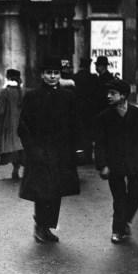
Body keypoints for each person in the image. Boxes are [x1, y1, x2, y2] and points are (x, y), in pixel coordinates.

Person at [18, 55, 82, 243]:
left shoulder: (67, 97)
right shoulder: (32, 96)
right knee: (42, 191)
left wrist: (75, 149)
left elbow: (74, 125)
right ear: (42, 75)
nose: (53, 76)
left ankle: (47, 227)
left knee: (56, 191)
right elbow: (23, 127)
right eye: (49, 73)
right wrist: (32, 150)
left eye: (56, 73)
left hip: (61, 154)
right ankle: (40, 226)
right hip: (39, 153)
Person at [94, 79, 138, 244]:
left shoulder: (137, 113)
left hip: (135, 161)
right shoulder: (105, 116)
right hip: (115, 163)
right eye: (108, 93)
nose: (108, 96)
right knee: (119, 198)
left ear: (124, 95)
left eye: (112, 93)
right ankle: (118, 231)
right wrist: (102, 165)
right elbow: (100, 143)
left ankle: (125, 220)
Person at [0, 69, 24, 180]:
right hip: (22, 123)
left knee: (11, 147)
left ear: (8, 78)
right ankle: (17, 167)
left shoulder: (5, 92)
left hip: (9, 124)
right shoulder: (23, 91)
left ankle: (15, 167)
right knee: (19, 146)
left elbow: (0, 110)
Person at [73, 57, 104, 164]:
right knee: (89, 134)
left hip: (77, 110)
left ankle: (79, 157)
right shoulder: (94, 78)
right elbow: (97, 94)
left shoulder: (75, 77)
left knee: (79, 134)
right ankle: (88, 157)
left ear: (80, 65)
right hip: (90, 111)